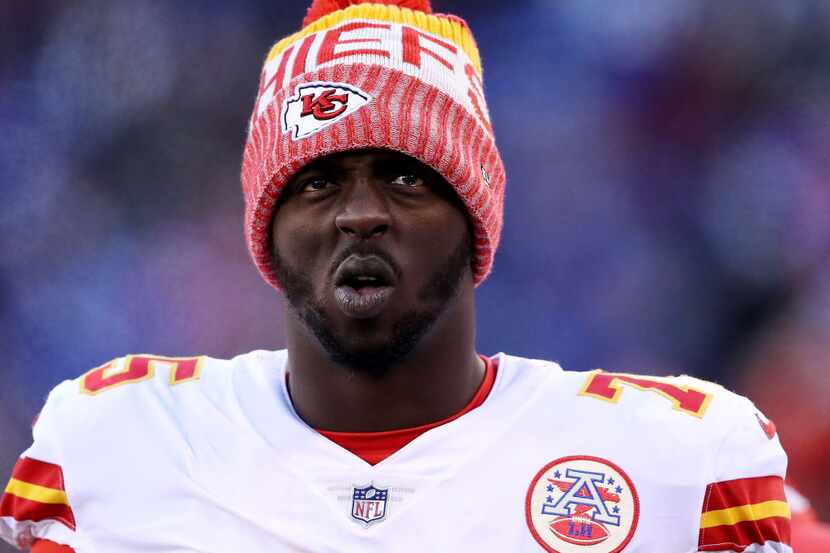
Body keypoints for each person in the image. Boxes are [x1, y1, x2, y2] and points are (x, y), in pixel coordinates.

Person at [0, 0, 792, 551]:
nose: (360, 214)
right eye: (317, 182)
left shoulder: (678, 463)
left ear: (475, 214)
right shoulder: (112, 446)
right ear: (265, 230)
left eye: (406, 177)